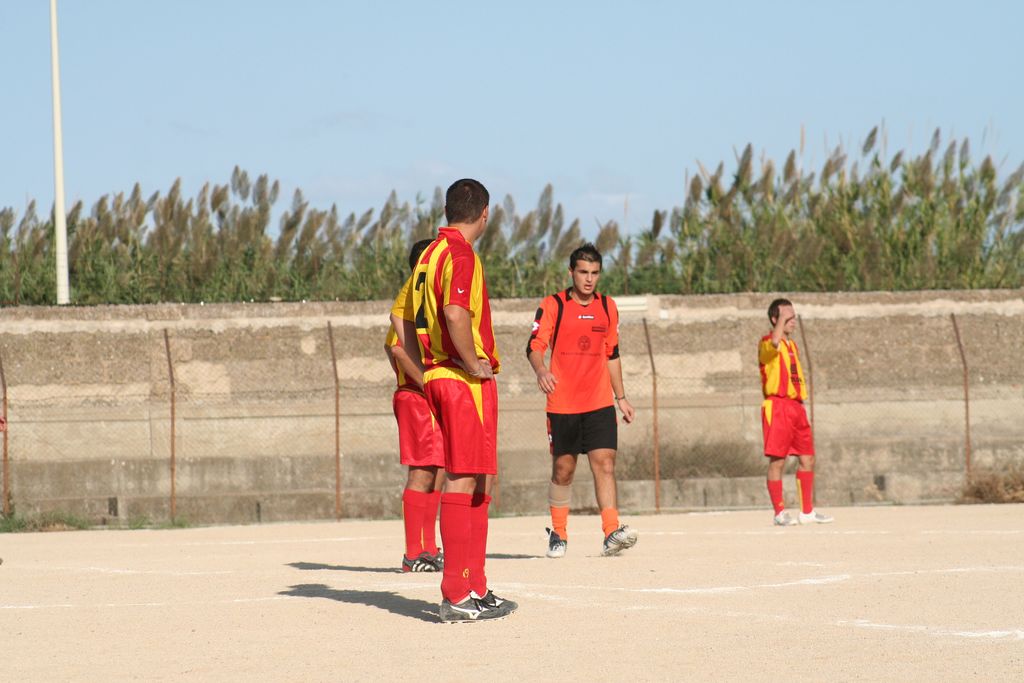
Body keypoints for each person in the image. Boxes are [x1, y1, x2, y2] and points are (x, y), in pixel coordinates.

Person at [400, 178, 518, 622]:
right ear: (484, 213)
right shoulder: (461, 253)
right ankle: (456, 592)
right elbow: (454, 312)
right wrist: (471, 362)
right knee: (464, 480)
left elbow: (402, 318)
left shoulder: (428, 254)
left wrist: (425, 366)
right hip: (462, 380)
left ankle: (476, 586)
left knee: (479, 482)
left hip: (437, 375)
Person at [526, 243, 639, 558]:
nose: (589, 279)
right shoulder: (553, 305)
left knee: (605, 464)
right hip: (562, 404)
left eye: (595, 273)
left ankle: (611, 532)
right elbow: (534, 346)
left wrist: (621, 398)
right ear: (571, 272)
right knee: (564, 469)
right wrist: (541, 370)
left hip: (599, 402)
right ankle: (559, 533)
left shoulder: (608, 306)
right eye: (583, 272)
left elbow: (612, 354)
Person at [386, 239, 444, 572]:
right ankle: (413, 553)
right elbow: (396, 349)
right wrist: (424, 382)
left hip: (429, 395)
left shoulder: (428, 301)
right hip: (418, 396)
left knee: (438, 470)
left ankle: (428, 548)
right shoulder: (411, 301)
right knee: (422, 471)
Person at [759, 298, 833, 526]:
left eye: (793, 317)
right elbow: (774, 342)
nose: (792, 321)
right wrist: (781, 322)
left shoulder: (792, 346)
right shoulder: (767, 343)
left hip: (796, 407)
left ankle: (807, 512)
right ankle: (779, 513)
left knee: (807, 458)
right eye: (786, 317)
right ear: (775, 319)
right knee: (778, 461)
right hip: (778, 406)